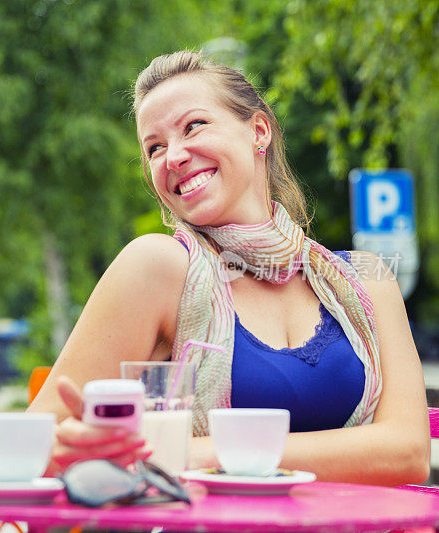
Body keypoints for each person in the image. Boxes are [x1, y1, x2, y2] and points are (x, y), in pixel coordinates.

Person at [28, 51, 430, 485]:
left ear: (259, 131)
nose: (173, 156)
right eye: (154, 148)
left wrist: (190, 453)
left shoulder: (367, 280)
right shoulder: (157, 269)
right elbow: (37, 440)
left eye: (193, 126)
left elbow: (407, 453)